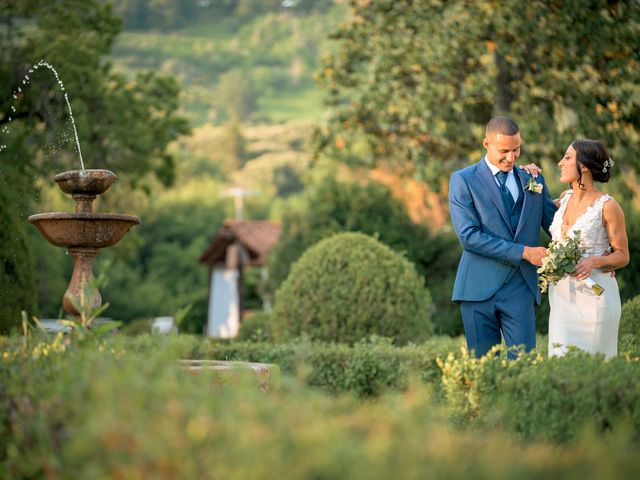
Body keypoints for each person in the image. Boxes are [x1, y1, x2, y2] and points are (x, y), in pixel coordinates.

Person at [449, 116, 557, 358]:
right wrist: (524, 252)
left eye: (516, 149)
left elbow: (556, 227)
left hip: (520, 287)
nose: (511, 157)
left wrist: (595, 253)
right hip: (477, 289)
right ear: (486, 144)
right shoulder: (463, 180)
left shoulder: (534, 179)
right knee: (483, 371)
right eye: (504, 151)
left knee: (524, 364)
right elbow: (468, 236)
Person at [548, 139, 629, 358]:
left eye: (566, 157)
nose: (559, 163)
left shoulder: (608, 206)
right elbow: (532, 200)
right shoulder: (563, 201)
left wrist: (596, 261)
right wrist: (529, 173)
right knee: (560, 363)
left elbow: (622, 255)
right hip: (562, 298)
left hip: (595, 298)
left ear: (583, 165)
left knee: (595, 366)